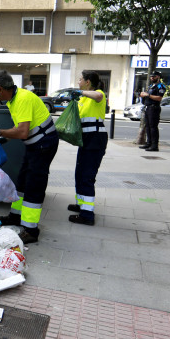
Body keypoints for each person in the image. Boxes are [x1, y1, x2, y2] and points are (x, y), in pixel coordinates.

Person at [0, 70, 59, 244]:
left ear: (0, 89)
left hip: (43, 144)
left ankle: (31, 230)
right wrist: (4, 138)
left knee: (34, 184)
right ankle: (16, 217)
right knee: (23, 181)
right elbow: (21, 128)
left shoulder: (22, 99)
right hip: (36, 144)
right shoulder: (13, 100)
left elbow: (23, 132)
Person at [67, 71, 108, 226]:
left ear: (88, 82)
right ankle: (81, 204)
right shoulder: (83, 99)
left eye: (80, 79)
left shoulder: (98, 94)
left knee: (87, 176)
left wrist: (80, 92)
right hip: (86, 140)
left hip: (95, 139)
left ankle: (87, 214)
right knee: (79, 173)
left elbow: (98, 97)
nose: (78, 81)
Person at [139, 71, 166, 152]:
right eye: (151, 76)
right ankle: (149, 143)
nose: (152, 78)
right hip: (148, 108)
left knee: (153, 127)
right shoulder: (151, 86)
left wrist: (148, 95)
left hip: (154, 108)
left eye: (154, 76)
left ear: (158, 77)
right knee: (147, 126)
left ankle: (154, 145)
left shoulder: (160, 86)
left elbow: (159, 98)